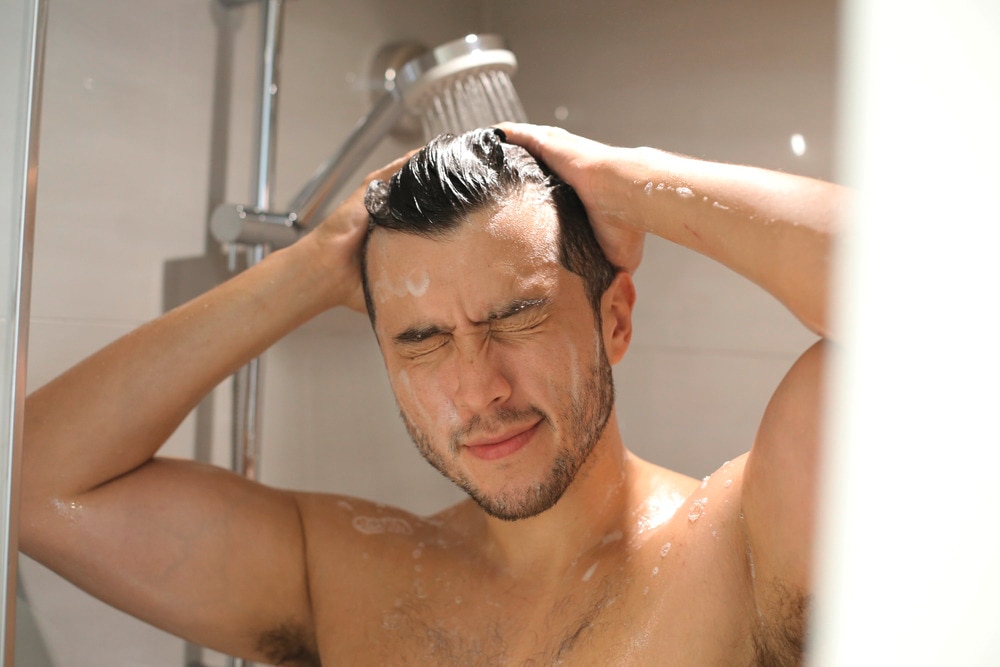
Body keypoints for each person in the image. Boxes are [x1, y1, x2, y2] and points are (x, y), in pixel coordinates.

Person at [20, 124, 839, 666]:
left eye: (516, 318)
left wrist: (629, 182)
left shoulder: (739, 549)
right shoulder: (349, 581)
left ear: (615, 318)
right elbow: (31, 485)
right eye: (422, 340)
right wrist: (312, 267)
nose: (478, 389)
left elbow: (938, 311)